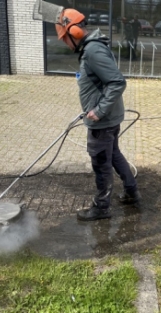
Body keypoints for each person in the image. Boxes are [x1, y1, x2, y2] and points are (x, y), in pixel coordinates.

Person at [55, 9, 141, 221]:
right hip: (108, 120)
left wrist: (99, 111)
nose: (65, 43)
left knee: (101, 163)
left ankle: (101, 208)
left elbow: (117, 82)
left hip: (102, 122)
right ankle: (131, 192)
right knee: (114, 156)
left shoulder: (93, 50)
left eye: (65, 38)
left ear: (74, 32)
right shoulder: (92, 48)